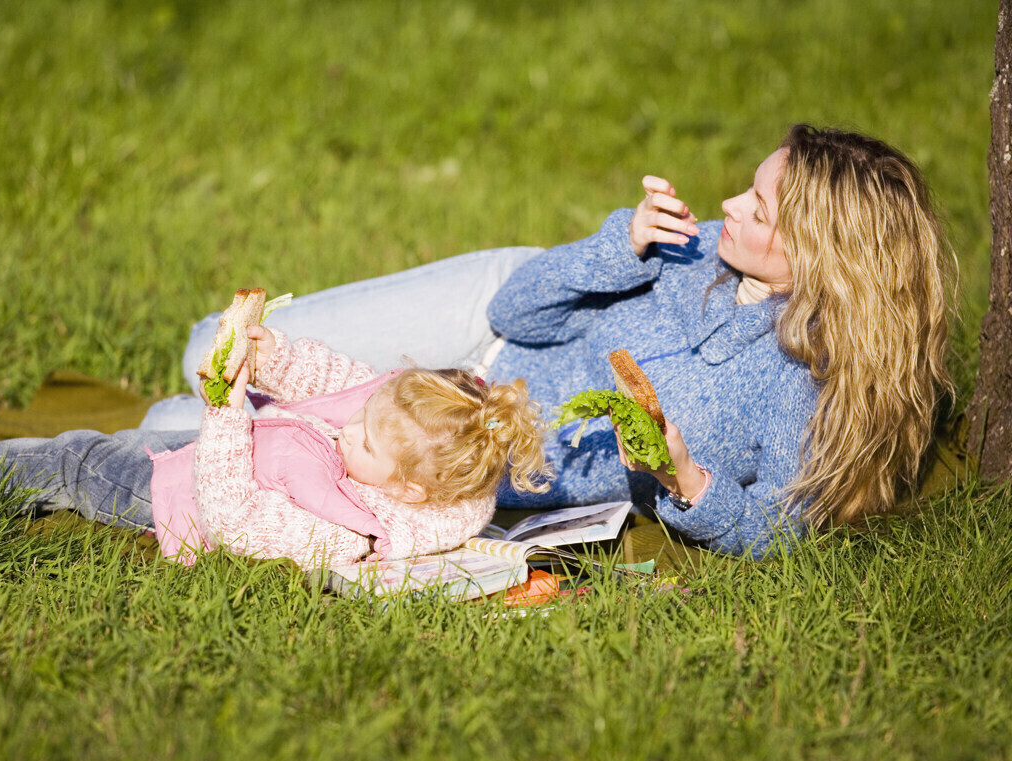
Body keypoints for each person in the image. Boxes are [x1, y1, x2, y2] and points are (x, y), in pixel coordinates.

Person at [150, 124, 956, 559]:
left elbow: (786, 524)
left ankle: (181, 431)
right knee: (205, 352)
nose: (727, 204)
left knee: (182, 437)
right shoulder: (692, 245)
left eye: (758, 207)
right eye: (749, 186)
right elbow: (518, 311)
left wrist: (690, 481)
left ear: (819, 258)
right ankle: (210, 412)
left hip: (465, 438)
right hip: (483, 328)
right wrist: (623, 248)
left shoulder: (797, 390)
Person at [0, 326, 552, 569]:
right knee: (129, 438)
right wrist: (271, 355)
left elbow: (232, 515)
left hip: (184, 495)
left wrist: (224, 415)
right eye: (363, 418)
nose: (349, 428)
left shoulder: (346, 527)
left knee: (77, 461)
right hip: (230, 444)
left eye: (364, 441)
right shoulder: (405, 439)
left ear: (406, 492)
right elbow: (338, 381)